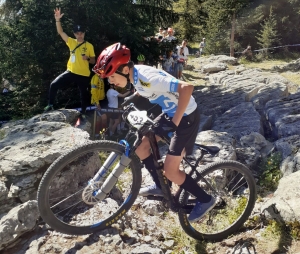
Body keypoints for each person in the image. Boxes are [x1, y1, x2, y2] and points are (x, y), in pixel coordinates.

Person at [93, 43, 217, 222]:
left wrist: (175, 123)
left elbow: (187, 88)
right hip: (170, 114)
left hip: (186, 118)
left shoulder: (147, 77)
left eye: (111, 77)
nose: (110, 82)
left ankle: (205, 199)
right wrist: (133, 97)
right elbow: (147, 89)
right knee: (141, 147)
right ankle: (160, 186)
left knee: (171, 171)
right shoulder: (135, 76)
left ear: (125, 69)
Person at [44, 7, 96, 118]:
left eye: (81, 32)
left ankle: (84, 113)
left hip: (83, 74)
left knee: (84, 95)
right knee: (54, 84)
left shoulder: (89, 45)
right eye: (77, 33)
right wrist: (57, 19)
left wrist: (87, 58)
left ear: (84, 33)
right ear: (74, 34)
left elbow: (93, 60)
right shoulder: (71, 42)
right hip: (71, 71)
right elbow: (61, 32)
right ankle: (50, 105)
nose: (80, 34)